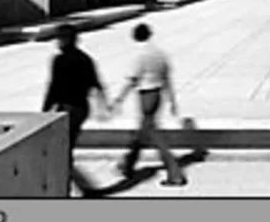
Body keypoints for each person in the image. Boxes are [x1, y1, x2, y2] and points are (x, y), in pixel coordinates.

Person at [110, 22, 187, 186]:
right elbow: (167, 79)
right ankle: (128, 165)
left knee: (153, 134)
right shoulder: (160, 54)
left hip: (146, 95)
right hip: (158, 94)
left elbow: (132, 79)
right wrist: (172, 100)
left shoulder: (140, 54)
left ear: (135, 36)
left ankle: (175, 173)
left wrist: (119, 99)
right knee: (142, 133)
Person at [42, 23, 112, 196]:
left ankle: (66, 188)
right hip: (81, 108)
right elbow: (96, 83)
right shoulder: (85, 59)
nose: (57, 42)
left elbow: (54, 87)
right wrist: (104, 105)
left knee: (63, 150)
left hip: (68, 109)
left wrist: (44, 110)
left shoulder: (59, 60)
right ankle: (73, 186)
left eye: (59, 38)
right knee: (67, 147)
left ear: (65, 40)